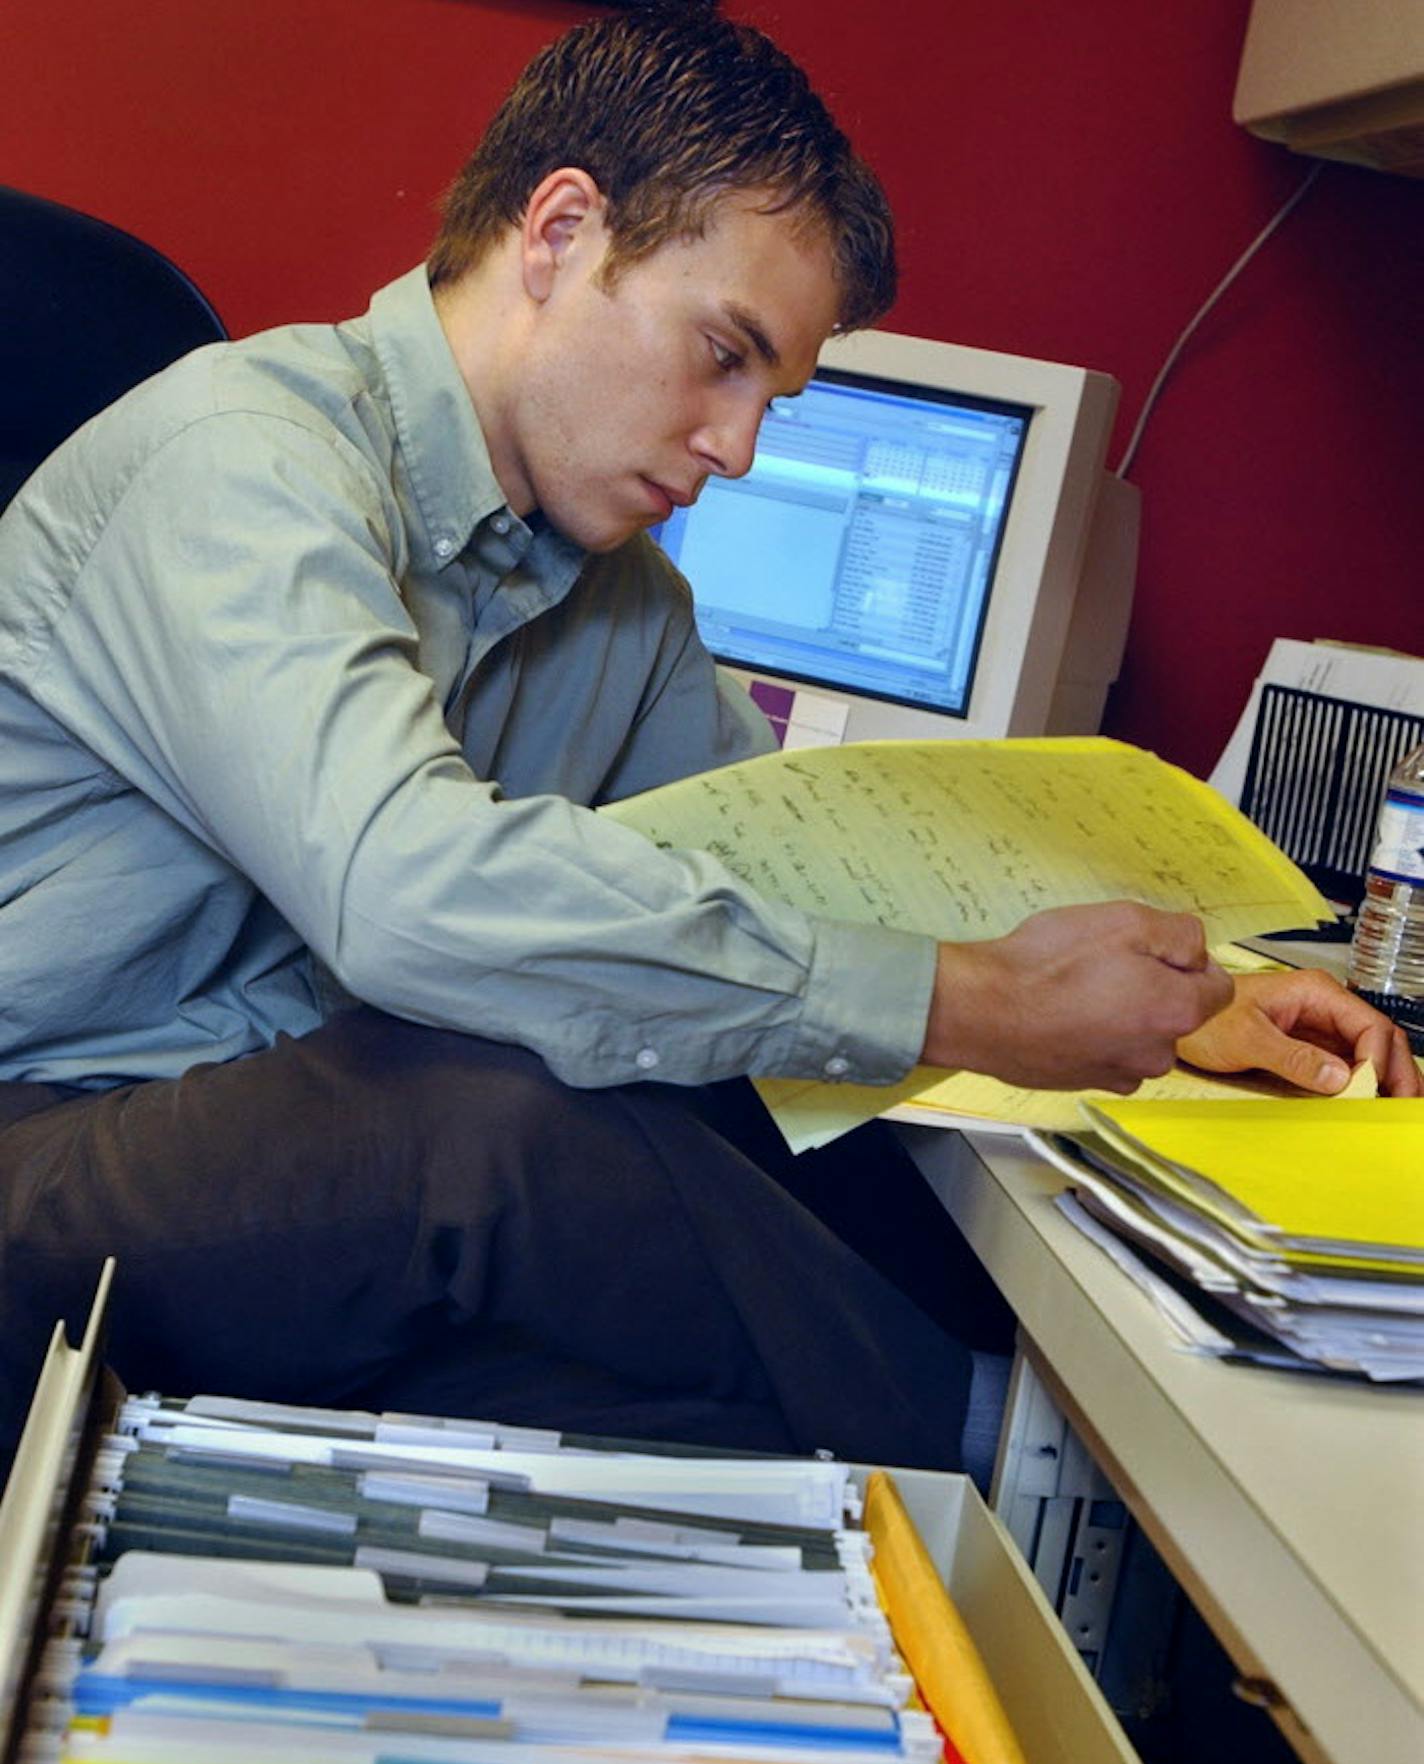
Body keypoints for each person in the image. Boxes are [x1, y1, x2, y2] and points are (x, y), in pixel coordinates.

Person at [0, 9, 1414, 1487]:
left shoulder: (618, 602)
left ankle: (955, 1538)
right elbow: (406, 896)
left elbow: (820, 864)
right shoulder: (245, 466)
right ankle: (1029, 1477)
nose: (736, 448)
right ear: (559, 232)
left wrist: (1185, 993)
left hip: (261, 1191)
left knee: (691, 1265)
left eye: (772, 397)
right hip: (43, 1136)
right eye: (721, 356)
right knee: (488, 1112)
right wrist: (976, 1001)